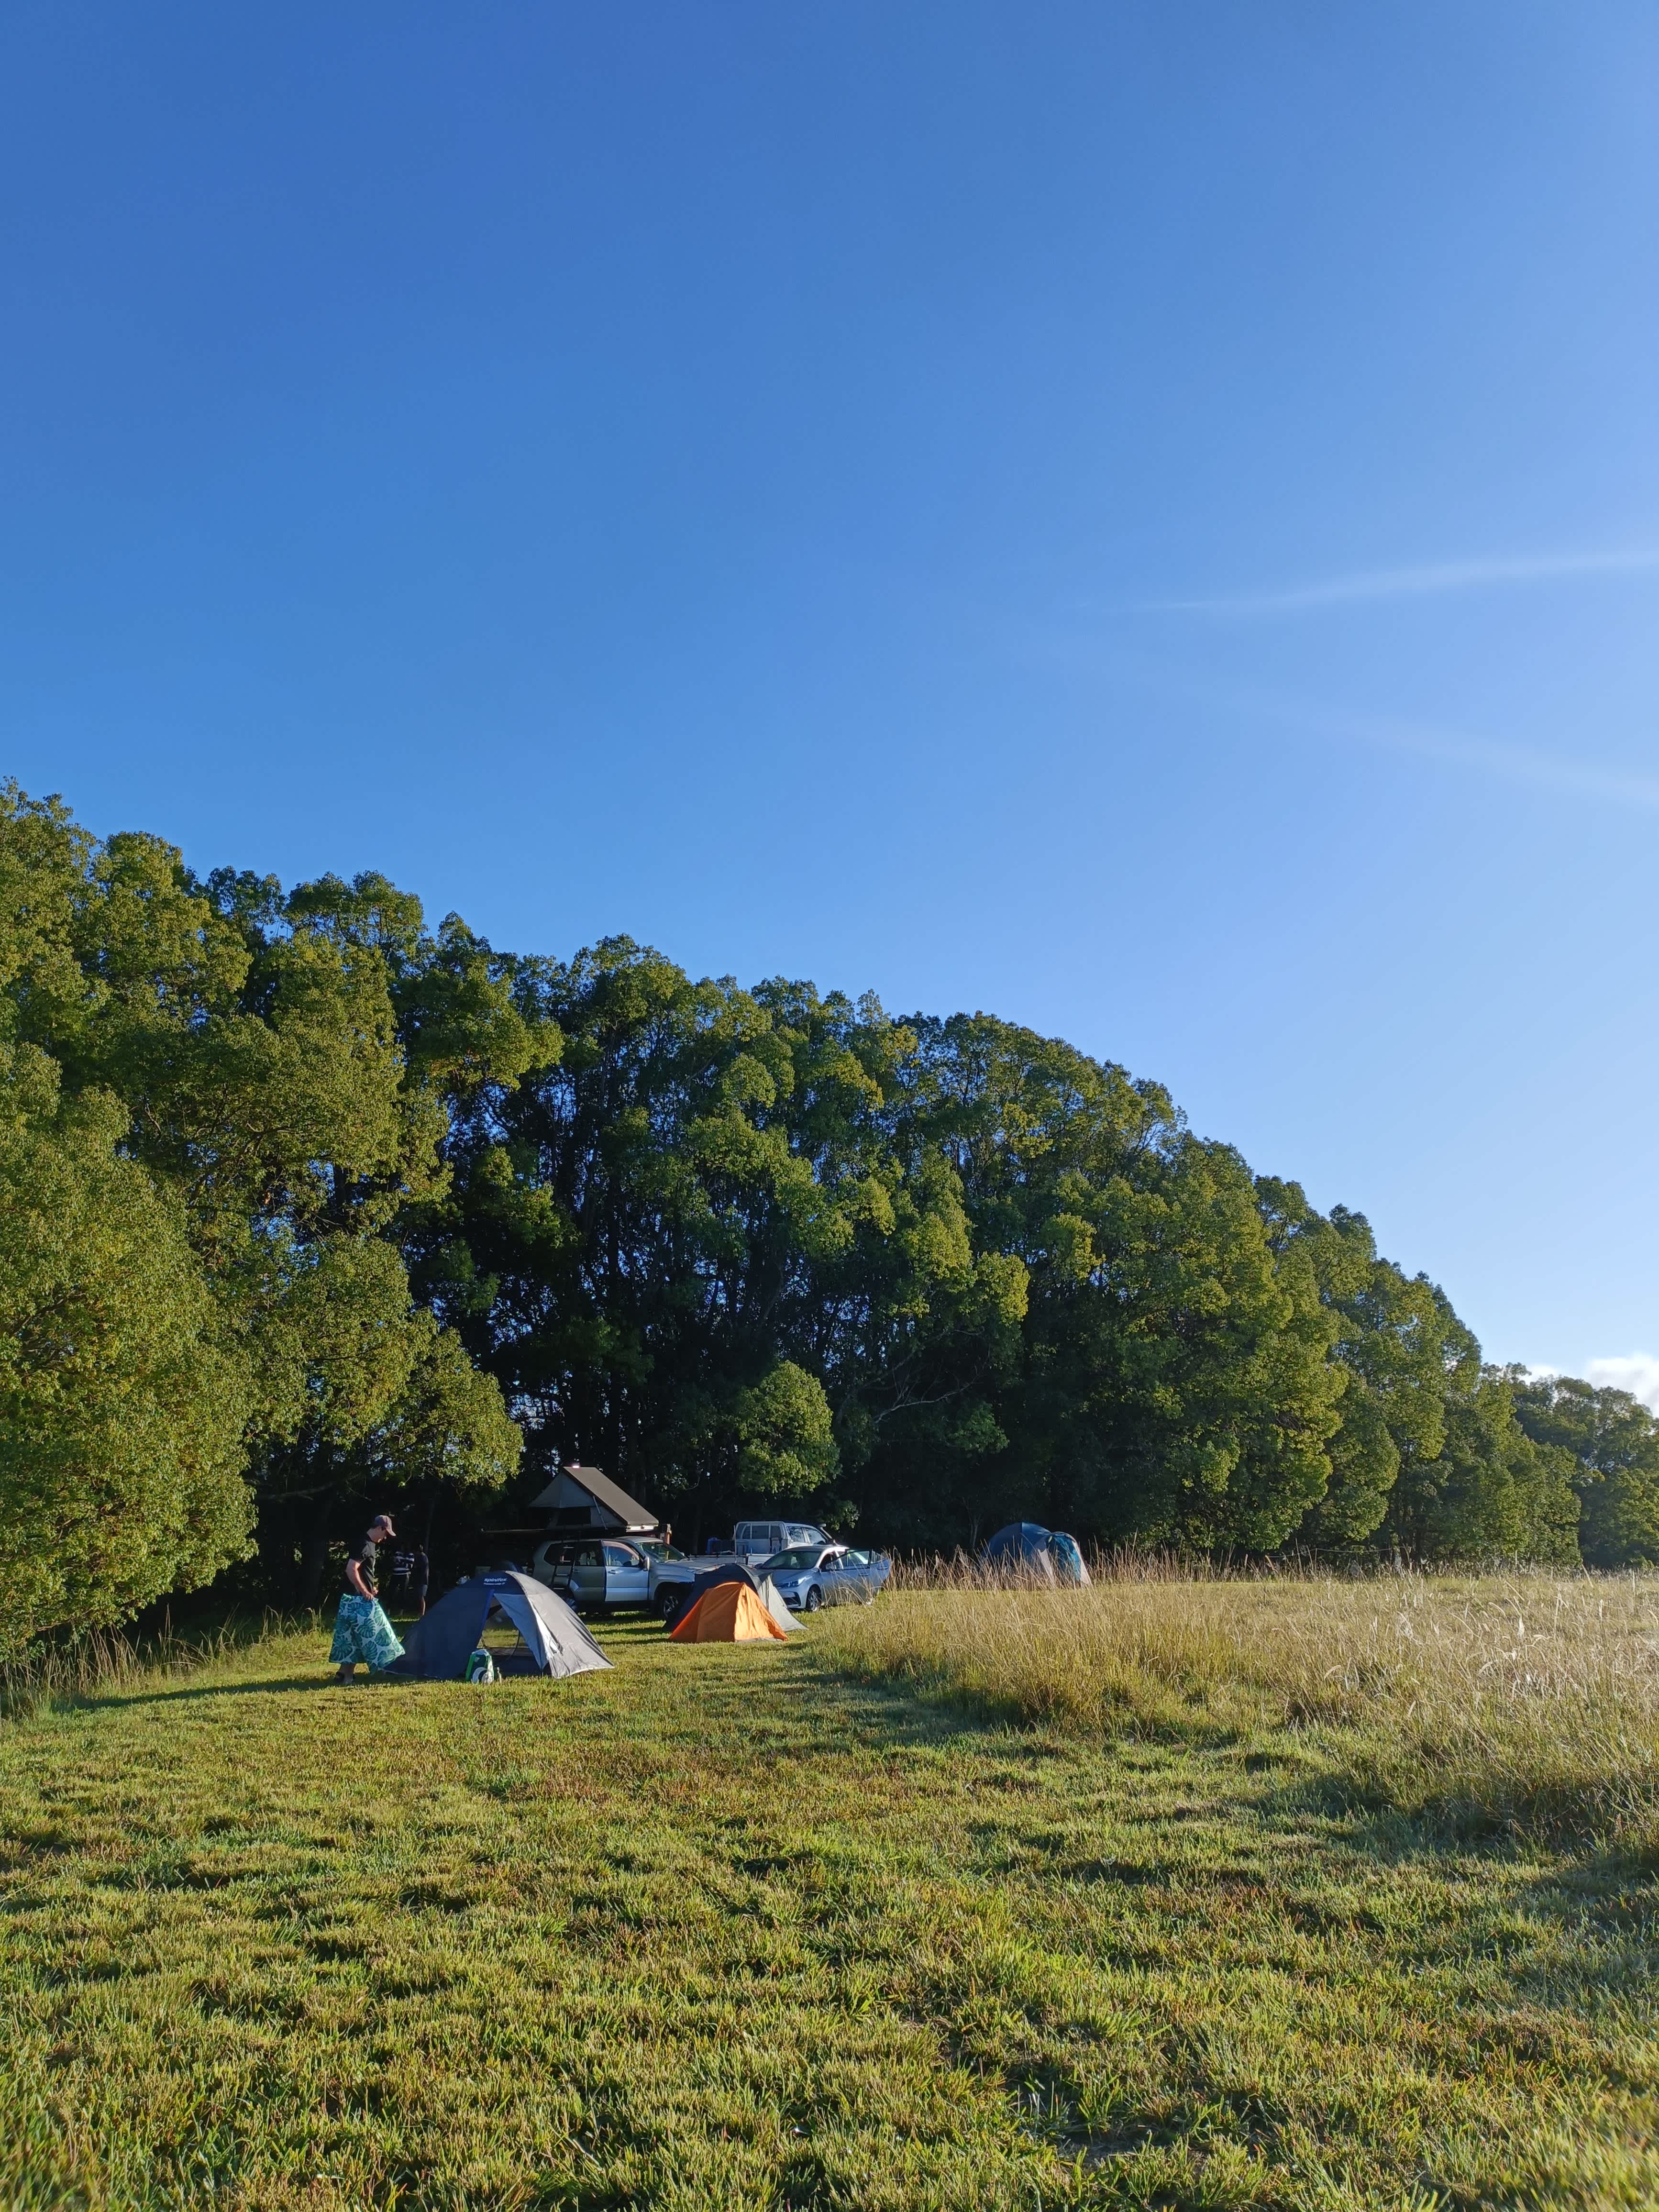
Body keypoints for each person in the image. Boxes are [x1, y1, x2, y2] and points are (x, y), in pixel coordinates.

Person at [329, 1513, 406, 1682]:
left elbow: (362, 1572)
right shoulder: (365, 1544)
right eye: (385, 1533)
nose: (385, 1538)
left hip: (352, 1599)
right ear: (380, 1528)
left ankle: (344, 1674)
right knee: (382, 1634)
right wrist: (364, 1591)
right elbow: (351, 1569)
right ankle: (389, 1667)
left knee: (351, 1638)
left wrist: (371, 1588)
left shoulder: (367, 1543)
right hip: (358, 1601)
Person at [410, 1543, 430, 1618]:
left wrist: (415, 1568)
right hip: (422, 1580)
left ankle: (422, 1613)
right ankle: (421, 1612)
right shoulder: (423, 1557)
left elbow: (420, 1569)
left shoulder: (422, 1557)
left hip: (423, 1581)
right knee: (420, 1597)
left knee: (421, 1597)